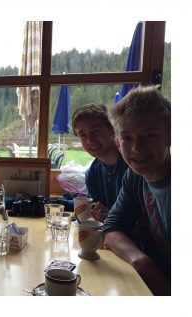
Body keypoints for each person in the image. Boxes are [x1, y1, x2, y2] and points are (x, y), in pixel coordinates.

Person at [103, 85, 170, 295]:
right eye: (127, 138)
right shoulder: (134, 177)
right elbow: (112, 227)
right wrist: (141, 261)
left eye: (149, 135)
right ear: (117, 142)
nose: (137, 148)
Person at [72, 104, 129, 222]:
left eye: (96, 131)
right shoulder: (92, 174)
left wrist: (113, 219)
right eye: (83, 135)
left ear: (111, 129)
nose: (90, 139)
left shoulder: (134, 165)